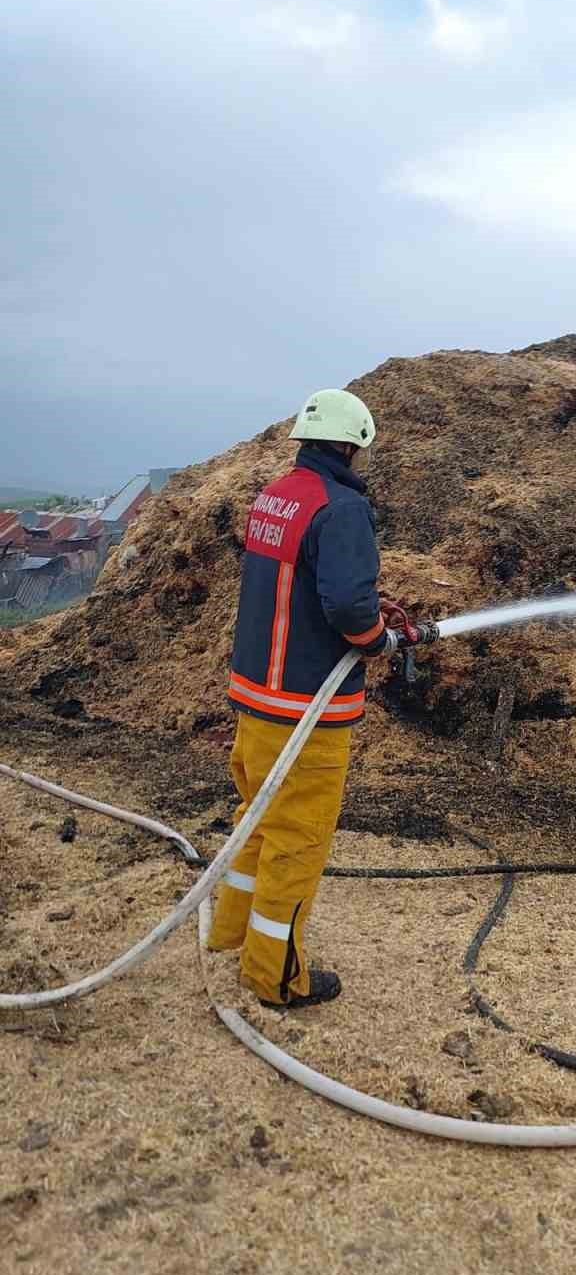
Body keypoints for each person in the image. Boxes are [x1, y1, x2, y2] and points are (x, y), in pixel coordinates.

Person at [207, 387, 398, 1009]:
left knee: (257, 820)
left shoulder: (276, 496)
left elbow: (300, 583)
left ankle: (230, 933)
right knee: (298, 838)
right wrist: (377, 638)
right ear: (353, 444)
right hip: (305, 708)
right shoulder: (341, 510)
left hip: (256, 696)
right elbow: (346, 606)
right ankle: (276, 977)